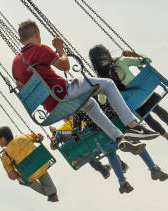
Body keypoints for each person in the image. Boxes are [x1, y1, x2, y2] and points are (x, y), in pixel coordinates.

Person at [11, 20, 158, 156]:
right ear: (37, 33)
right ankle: (132, 125)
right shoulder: (40, 49)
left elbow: (22, 89)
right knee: (107, 84)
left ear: (20, 40)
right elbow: (65, 65)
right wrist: (60, 49)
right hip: (63, 93)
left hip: (52, 107)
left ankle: (119, 138)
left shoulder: (15, 64)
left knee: (91, 105)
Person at [89, 45, 168, 149]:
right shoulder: (122, 61)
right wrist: (133, 54)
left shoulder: (102, 81)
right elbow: (147, 60)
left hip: (136, 106)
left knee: (148, 119)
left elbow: (102, 101)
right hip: (147, 94)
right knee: (158, 109)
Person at [72, 102, 168, 194]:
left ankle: (122, 182)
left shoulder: (79, 109)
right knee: (135, 140)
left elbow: (76, 130)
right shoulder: (99, 96)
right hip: (118, 129)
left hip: (103, 137)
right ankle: (153, 168)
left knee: (110, 153)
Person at [0, 126, 58, 202]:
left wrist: (17, 173)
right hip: (41, 164)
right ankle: (52, 193)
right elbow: (40, 137)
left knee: (23, 177)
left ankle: (50, 193)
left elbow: (13, 176)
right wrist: (37, 137)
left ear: (3, 138)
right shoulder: (22, 137)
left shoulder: (5, 155)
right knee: (39, 167)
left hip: (28, 175)